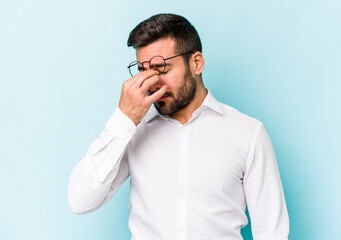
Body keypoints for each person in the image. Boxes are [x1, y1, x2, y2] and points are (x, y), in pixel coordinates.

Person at [68, 13, 289, 240]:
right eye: (143, 71)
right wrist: (124, 119)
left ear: (196, 63)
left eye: (161, 69)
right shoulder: (132, 132)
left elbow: (271, 232)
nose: (152, 83)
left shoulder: (248, 133)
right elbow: (81, 201)